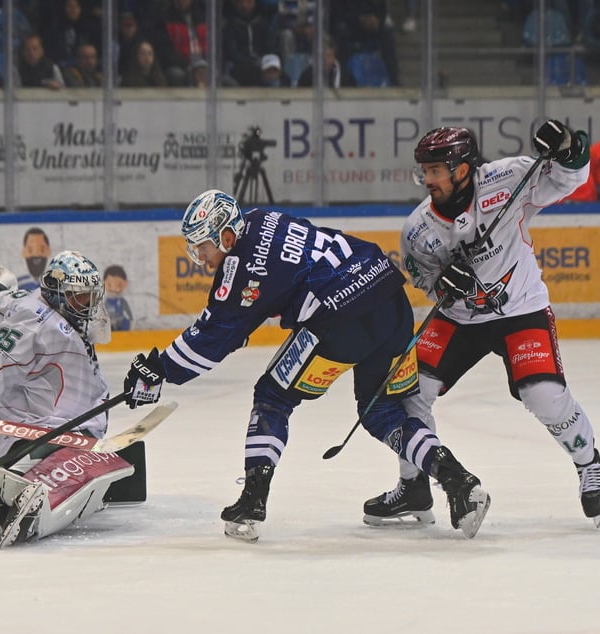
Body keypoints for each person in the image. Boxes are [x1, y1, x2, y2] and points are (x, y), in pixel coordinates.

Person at [123, 189, 491, 542]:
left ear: (227, 235)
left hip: (341, 318)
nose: (201, 258)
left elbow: (212, 339)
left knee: (272, 397)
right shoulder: (262, 218)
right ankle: (459, 481)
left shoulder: (241, 269)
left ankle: (251, 503)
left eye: (203, 247)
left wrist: (159, 368)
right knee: (381, 410)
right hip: (388, 297)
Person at [362, 123, 600, 529]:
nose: (428, 180)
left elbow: (568, 179)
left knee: (544, 395)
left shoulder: (508, 178)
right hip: (461, 317)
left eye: (436, 170)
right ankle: (414, 486)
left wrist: (570, 147)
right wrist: (444, 284)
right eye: (424, 171)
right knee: (410, 390)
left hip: (521, 308)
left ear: (462, 169)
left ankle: (588, 462)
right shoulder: (417, 230)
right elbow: (425, 281)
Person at [0, 251, 128, 546]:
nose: (89, 306)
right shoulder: (42, 327)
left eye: (92, 296)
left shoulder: (28, 302)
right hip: (38, 433)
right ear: (57, 296)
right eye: (80, 298)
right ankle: (24, 485)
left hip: (44, 422)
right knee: (85, 460)